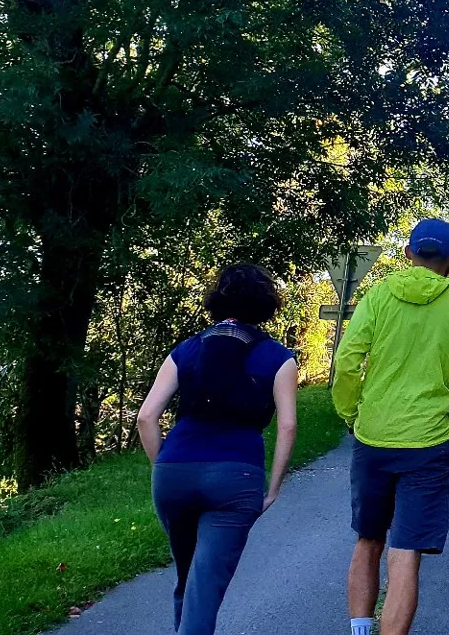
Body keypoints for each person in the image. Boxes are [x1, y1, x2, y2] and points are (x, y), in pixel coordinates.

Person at [331, 218, 449, 635]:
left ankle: (361, 630)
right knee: (405, 552)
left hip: (373, 435)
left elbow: (347, 362)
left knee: (367, 540)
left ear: (407, 254)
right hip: (429, 442)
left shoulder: (378, 297)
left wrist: (350, 413)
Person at [137, 264, 300, 635]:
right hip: (236, 477)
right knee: (205, 587)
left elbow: (147, 418)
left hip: (174, 472)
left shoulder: (187, 349)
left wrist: (162, 467)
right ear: (265, 306)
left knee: (188, 578)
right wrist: (273, 489)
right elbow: (288, 426)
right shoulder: (280, 359)